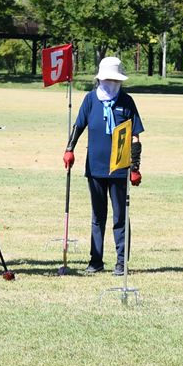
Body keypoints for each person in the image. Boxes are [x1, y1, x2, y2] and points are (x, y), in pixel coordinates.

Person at [63, 57, 144, 276]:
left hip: (119, 167)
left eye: (115, 80)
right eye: (108, 79)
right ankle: (95, 260)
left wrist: (135, 167)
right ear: (100, 79)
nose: (111, 84)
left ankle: (121, 262)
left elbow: (135, 136)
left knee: (120, 216)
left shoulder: (127, 101)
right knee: (97, 216)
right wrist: (69, 149)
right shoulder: (90, 99)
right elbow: (78, 126)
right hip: (95, 167)